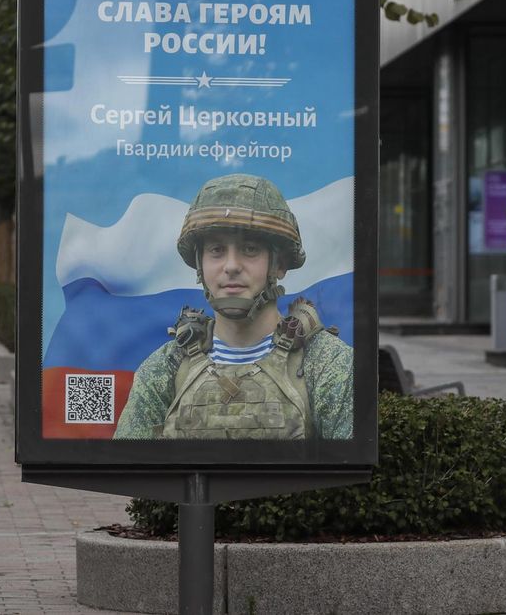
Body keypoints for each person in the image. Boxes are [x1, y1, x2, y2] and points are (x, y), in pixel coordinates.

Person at [113, 173, 353, 440]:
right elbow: (131, 464)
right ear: (200, 265)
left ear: (279, 265)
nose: (231, 266)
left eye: (250, 249)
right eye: (216, 250)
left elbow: (351, 466)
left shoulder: (326, 362)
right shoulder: (166, 367)